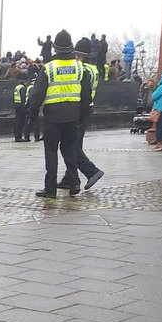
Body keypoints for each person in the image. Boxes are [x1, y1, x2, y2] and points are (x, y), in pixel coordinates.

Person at [30, 30, 90, 197]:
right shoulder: (80, 67)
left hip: (53, 116)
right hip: (73, 115)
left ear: (55, 48)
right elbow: (86, 95)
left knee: (51, 151)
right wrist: (83, 115)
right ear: (71, 47)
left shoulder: (48, 68)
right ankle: (74, 182)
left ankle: (50, 189)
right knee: (70, 149)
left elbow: (37, 94)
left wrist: (32, 113)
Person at [59, 38, 104, 192]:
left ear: (77, 53)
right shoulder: (94, 69)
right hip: (88, 108)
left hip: (77, 108)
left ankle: (92, 171)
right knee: (75, 143)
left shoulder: (80, 68)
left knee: (71, 145)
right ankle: (69, 177)